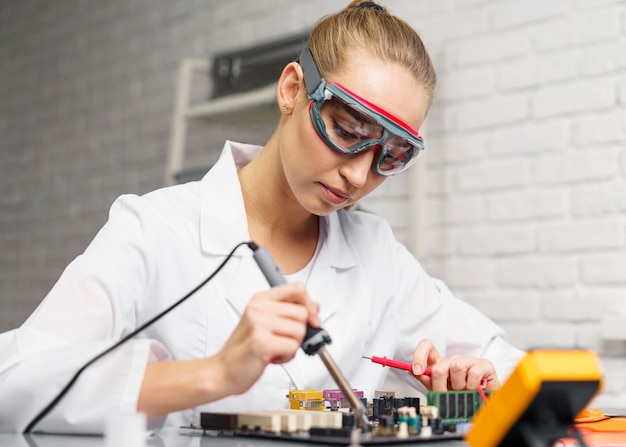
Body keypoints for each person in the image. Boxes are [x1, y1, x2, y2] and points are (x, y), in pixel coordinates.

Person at [0, 0, 524, 435]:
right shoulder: (155, 229)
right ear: (293, 90)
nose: (360, 177)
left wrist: (469, 383)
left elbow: (512, 368)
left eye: (390, 156)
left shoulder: (376, 253)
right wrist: (214, 374)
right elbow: (12, 380)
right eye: (346, 131)